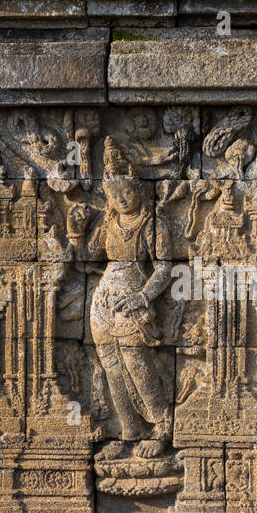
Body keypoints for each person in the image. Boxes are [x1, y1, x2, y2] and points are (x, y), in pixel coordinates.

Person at [74, 138, 174, 460]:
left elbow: (163, 268)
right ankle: (129, 430)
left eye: (126, 192)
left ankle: (161, 425)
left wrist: (142, 296)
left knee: (136, 361)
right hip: (103, 304)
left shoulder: (151, 220)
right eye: (114, 195)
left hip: (131, 301)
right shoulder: (108, 222)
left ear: (138, 187)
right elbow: (87, 259)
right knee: (112, 368)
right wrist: (76, 231)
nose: (121, 199)